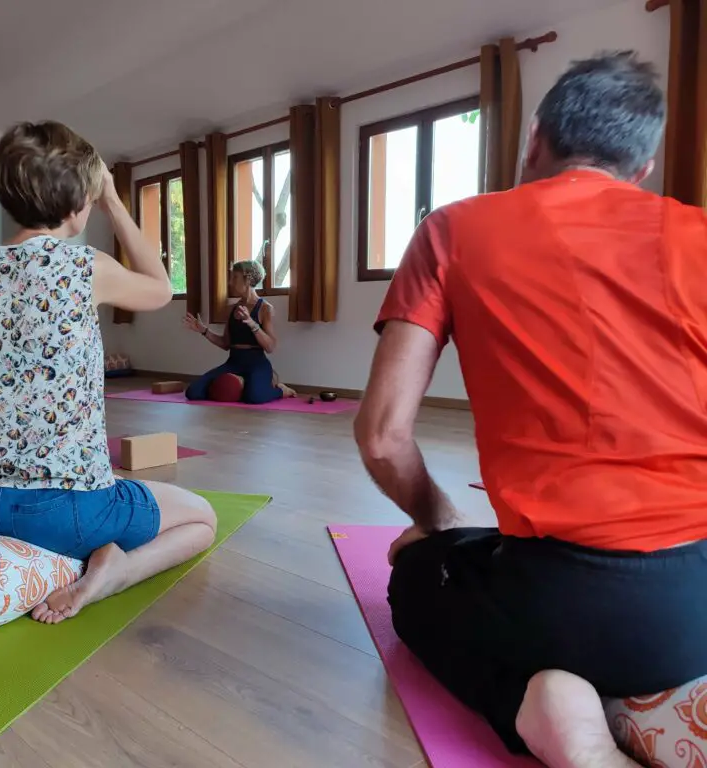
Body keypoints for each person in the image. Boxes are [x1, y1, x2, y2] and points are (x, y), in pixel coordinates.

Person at [355, 52, 707, 768]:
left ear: (535, 138)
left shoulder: (454, 229)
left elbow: (383, 439)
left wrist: (439, 521)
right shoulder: (697, 234)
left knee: (411, 573)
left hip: (559, 604)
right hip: (694, 615)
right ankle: (623, 706)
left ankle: (542, 707)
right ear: (640, 169)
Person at [0, 120, 217, 622]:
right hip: (69, 511)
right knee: (202, 519)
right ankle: (113, 575)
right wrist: (114, 198)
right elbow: (160, 286)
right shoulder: (82, 266)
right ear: (78, 204)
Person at [182, 261, 289, 404]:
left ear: (248, 279)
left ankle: (281, 390)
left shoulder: (265, 308)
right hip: (234, 362)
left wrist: (252, 324)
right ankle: (242, 385)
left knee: (254, 398)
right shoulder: (231, 308)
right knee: (193, 392)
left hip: (257, 363)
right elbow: (225, 343)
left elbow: (270, 347)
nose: (230, 283)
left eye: (235, 278)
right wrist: (203, 330)